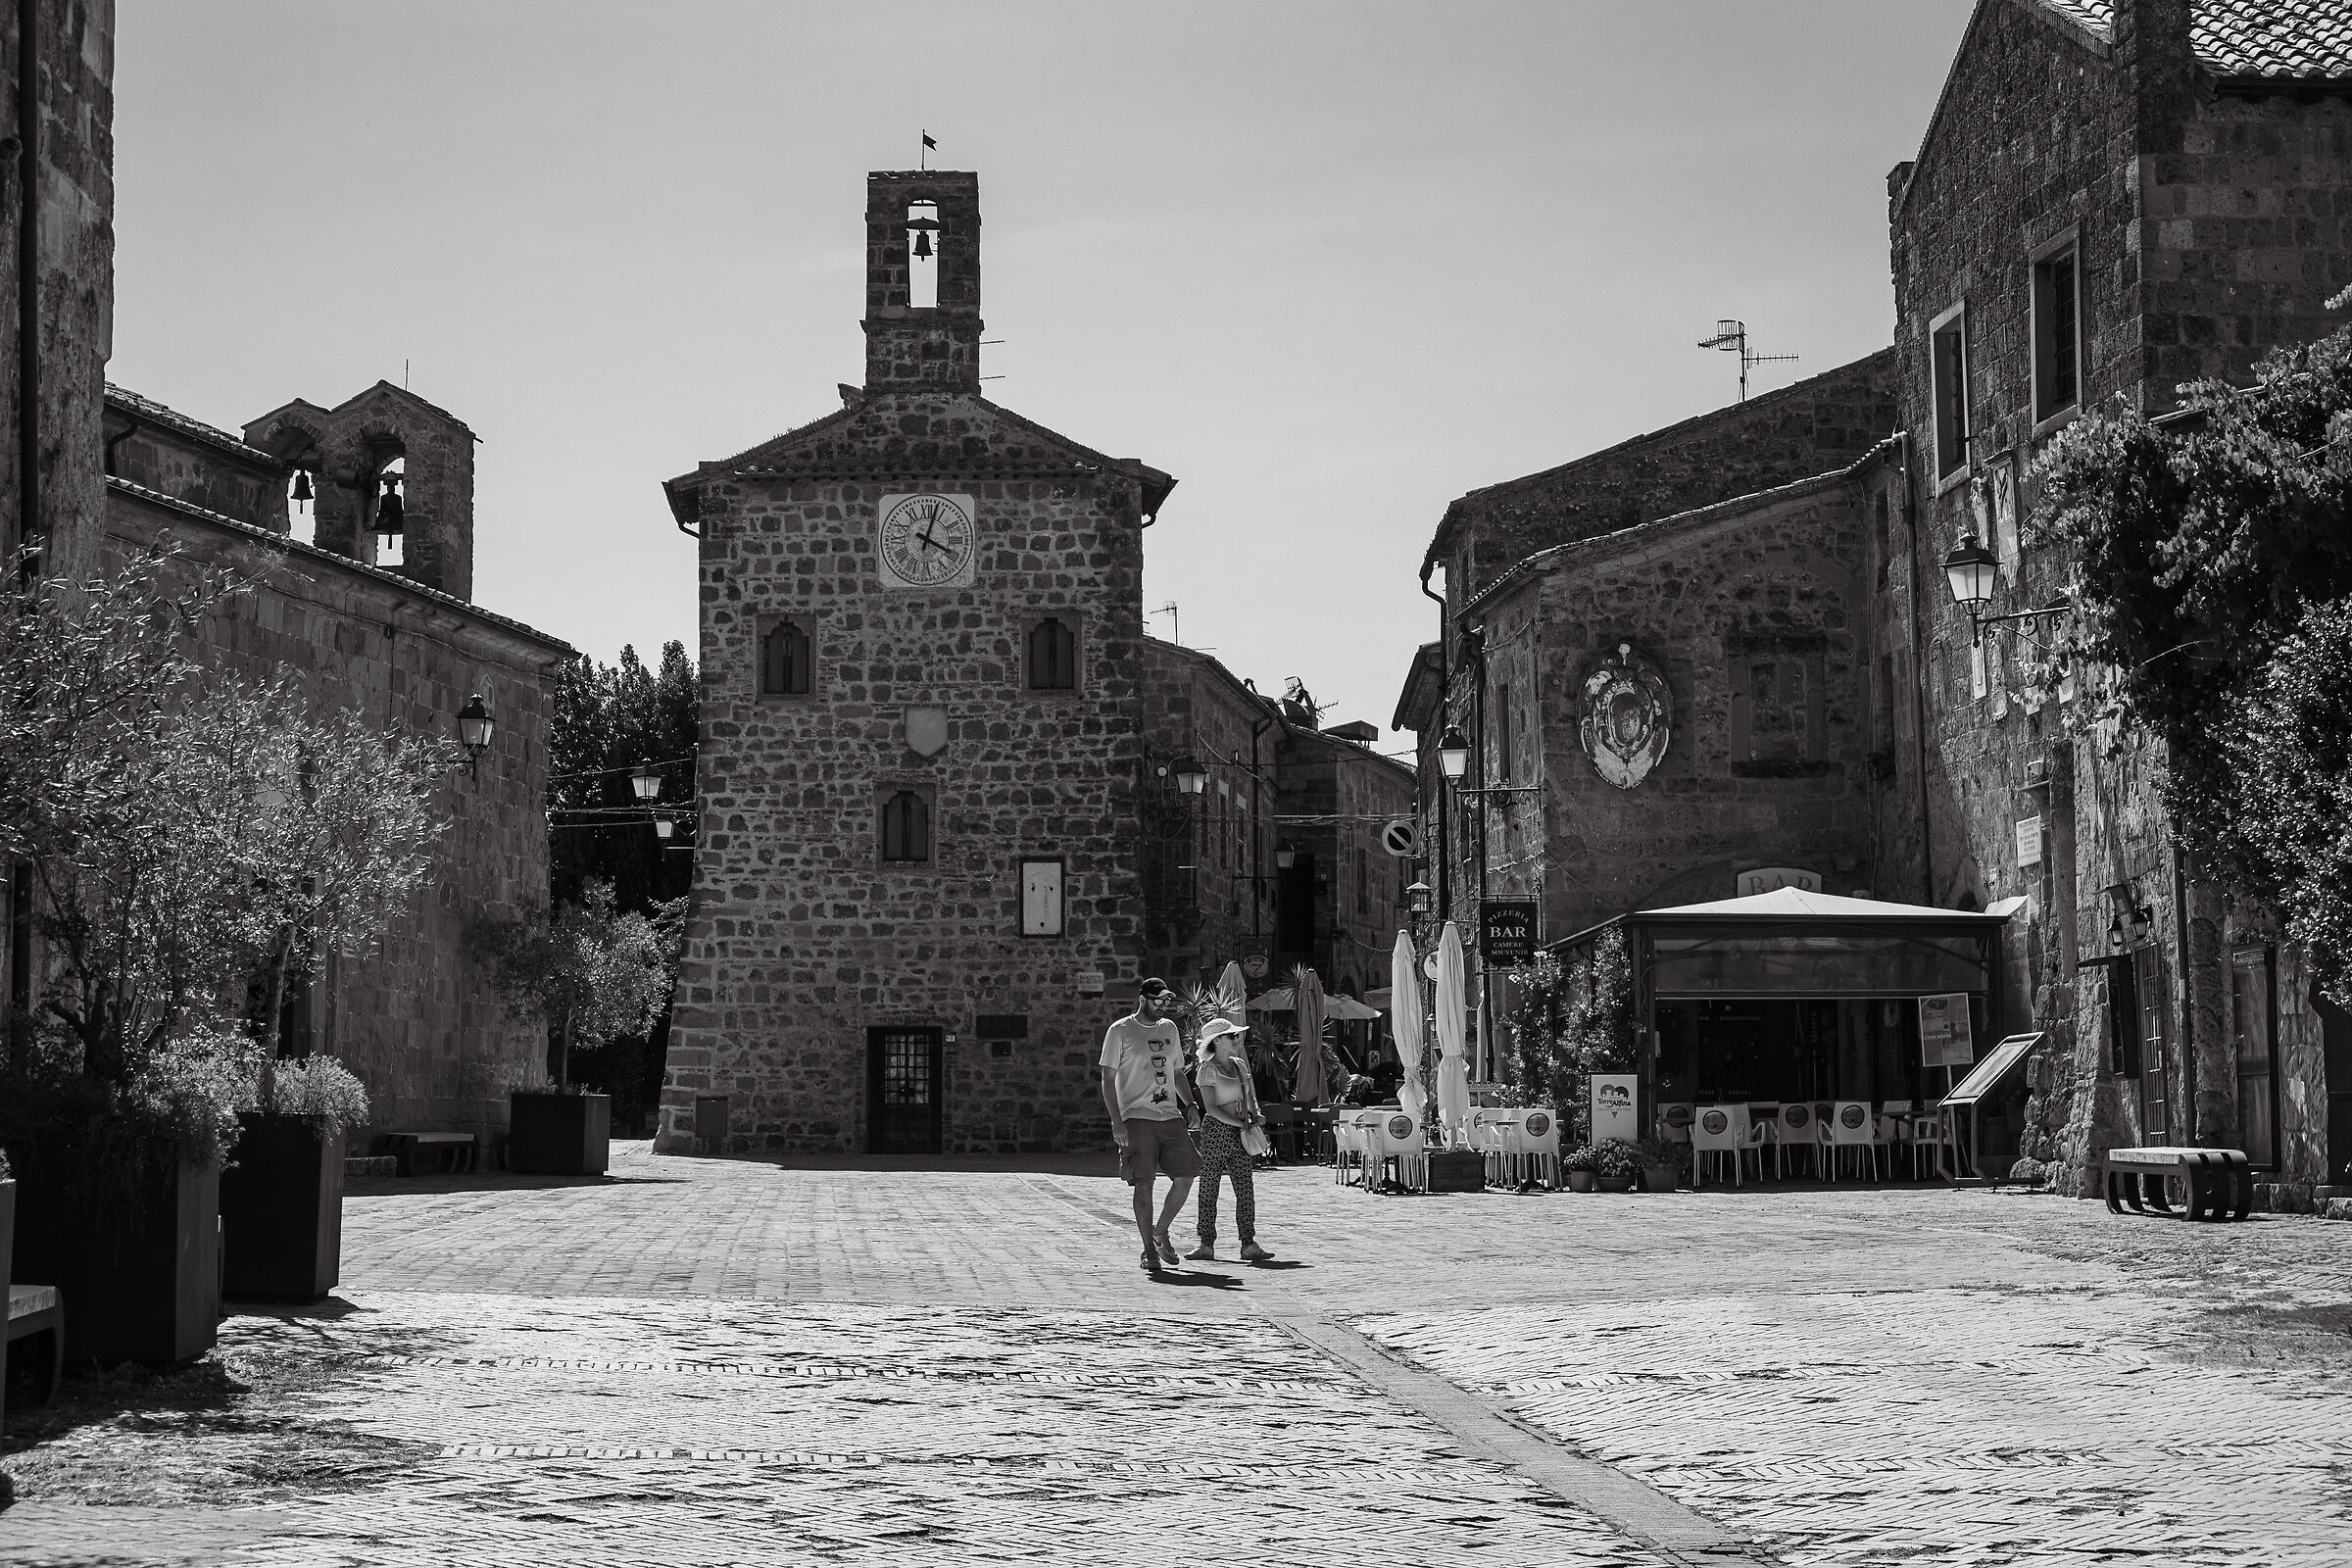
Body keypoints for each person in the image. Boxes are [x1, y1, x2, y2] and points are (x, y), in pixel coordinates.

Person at [1100, 977, 1199, 1275]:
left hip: (1170, 1116)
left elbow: (1178, 1072)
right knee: (1144, 1182)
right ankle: (1148, 1251)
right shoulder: (1120, 1030)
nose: (1163, 1006)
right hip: (1136, 1117)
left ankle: (1160, 1232)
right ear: (1143, 998)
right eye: (1159, 1001)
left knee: (1186, 1175)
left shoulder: (1169, 1029)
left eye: (1167, 1001)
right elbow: (1107, 1079)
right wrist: (1116, 1120)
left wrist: (1191, 1104)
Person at [1188, 1018, 1273, 1262]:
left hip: (1241, 1130)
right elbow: (1211, 1109)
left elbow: (1250, 1095)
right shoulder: (1207, 1070)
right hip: (1216, 1132)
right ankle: (1205, 1244)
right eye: (1231, 1036)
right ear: (1217, 1041)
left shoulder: (1239, 1065)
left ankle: (1248, 1243)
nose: (1236, 1039)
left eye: (1235, 1035)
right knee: (1209, 1189)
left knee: (1245, 1189)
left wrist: (1254, 1114)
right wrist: (1241, 1123)